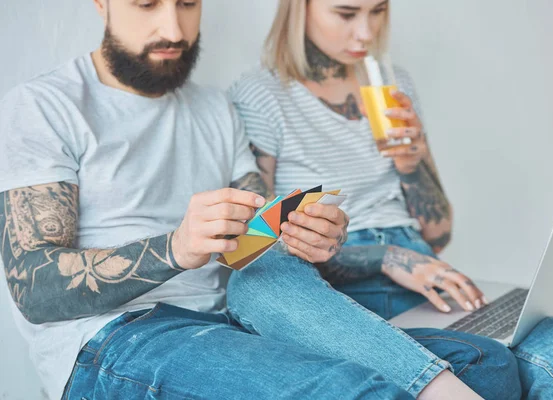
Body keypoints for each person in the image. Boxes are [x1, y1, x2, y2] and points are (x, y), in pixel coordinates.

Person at [0, 0, 521, 399]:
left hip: (236, 317)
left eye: (187, 3)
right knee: (365, 392)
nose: (174, 29)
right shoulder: (45, 106)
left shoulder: (213, 108)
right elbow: (35, 290)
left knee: (492, 364)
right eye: (146, 4)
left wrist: (311, 235)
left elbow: (256, 244)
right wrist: (175, 248)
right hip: (119, 338)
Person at [228, 0, 553, 399]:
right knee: (497, 361)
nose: (366, 33)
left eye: (378, 11)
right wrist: (388, 257)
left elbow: (437, 232)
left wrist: (412, 162)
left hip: (420, 261)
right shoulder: (260, 94)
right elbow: (259, 246)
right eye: (347, 13)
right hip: (330, 269)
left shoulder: (393, 86)